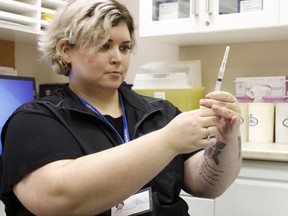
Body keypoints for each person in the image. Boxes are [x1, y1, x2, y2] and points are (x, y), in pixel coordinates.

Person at [0, 0, 242, 215]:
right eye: (104, 45)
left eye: (124, 47)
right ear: (66, 51)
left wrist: (227, 138)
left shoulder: (160, 112)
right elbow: (56, 199)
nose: (118, 57)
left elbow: (206, 186)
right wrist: (167, 141)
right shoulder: (33, 120)